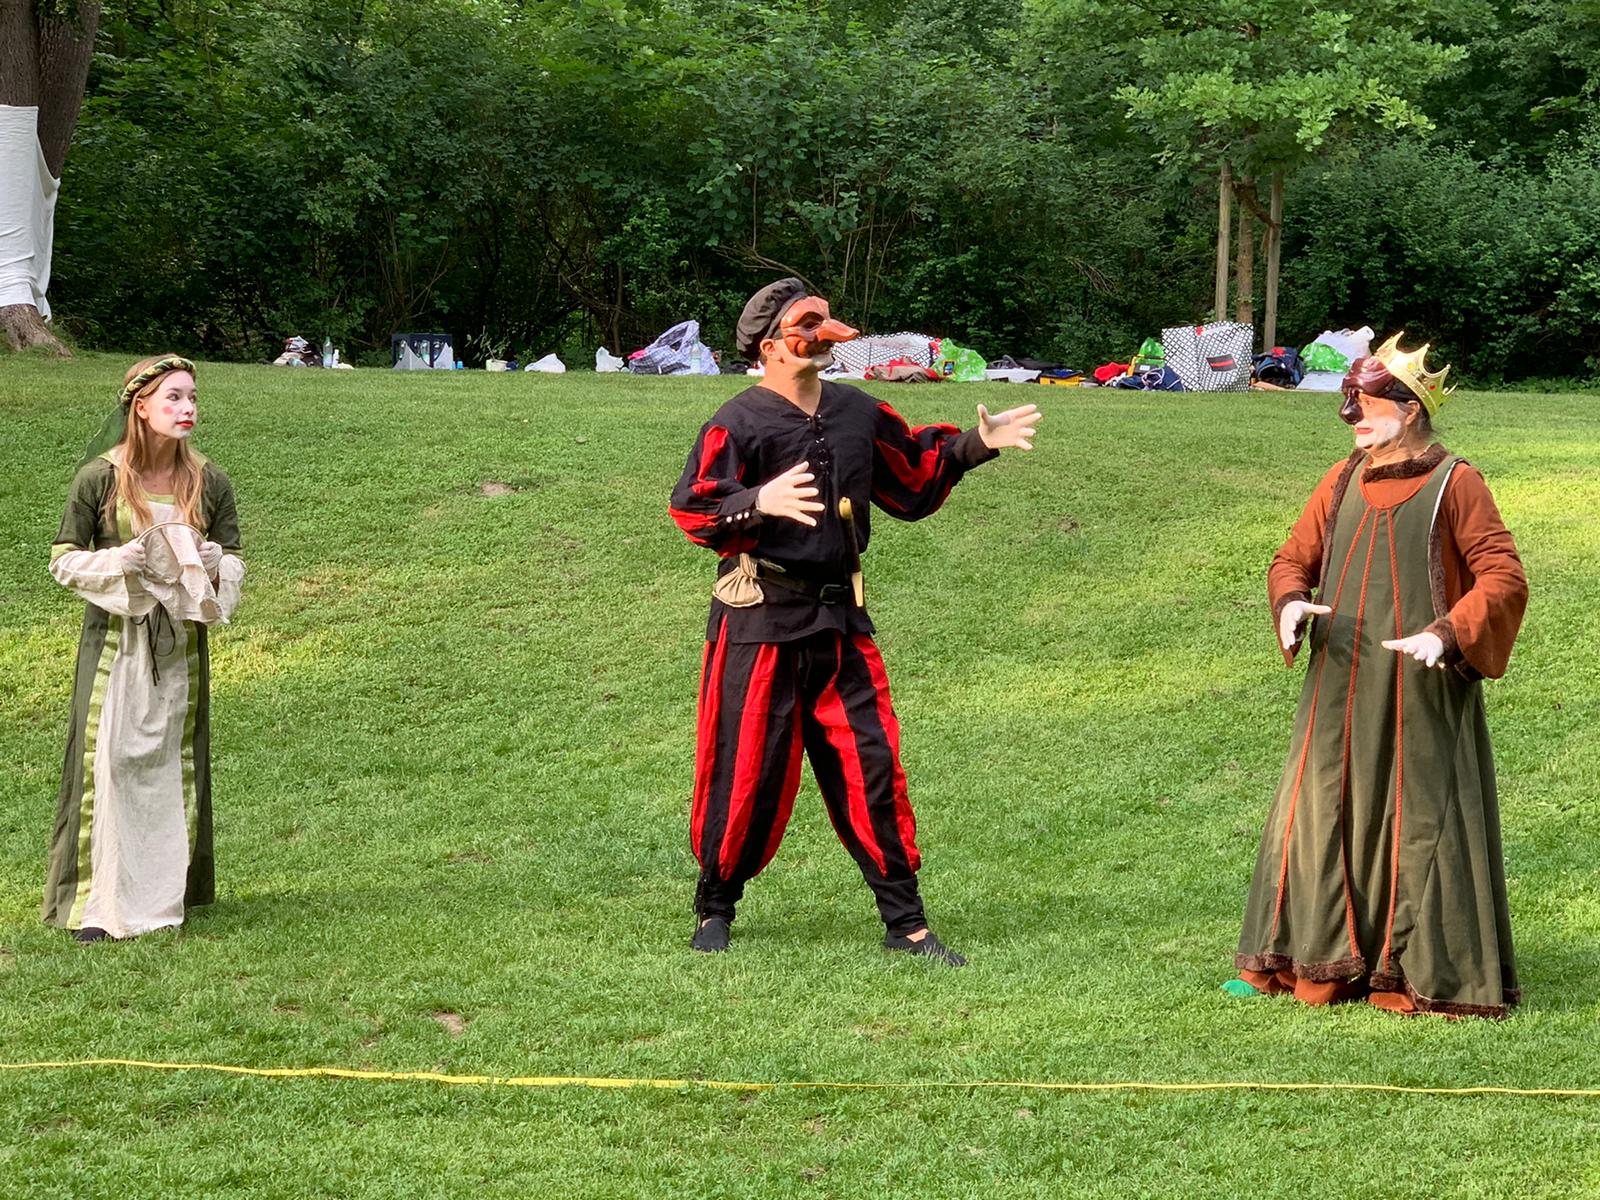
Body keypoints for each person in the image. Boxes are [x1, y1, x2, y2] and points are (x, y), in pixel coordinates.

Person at [669, 278, 1041, 964]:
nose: (825, 336)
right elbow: (693, 508)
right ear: (770, 346)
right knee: (745, 768)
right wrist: (758, 501)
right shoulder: (737, 422)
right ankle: (715, 906)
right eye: (807, 326)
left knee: (872, 766)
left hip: (841, 622)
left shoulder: (856, 412)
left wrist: (975, 445)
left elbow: (912, 481)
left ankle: (907, 924)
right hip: (758, 625)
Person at [1227, 335, 1527, 1016]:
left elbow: (1503, 576)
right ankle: (1312, 961)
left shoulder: (1457, 483)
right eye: (1349, 404)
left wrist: (1445, 632)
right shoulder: (1340, 480)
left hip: (1422, 687)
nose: (1352, 417)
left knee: (1417, 819)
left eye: (1365, 403)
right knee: (1318, 810)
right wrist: (1289, 601)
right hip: (1338, 684)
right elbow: (1291, 559)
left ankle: (1407, 971)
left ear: (1411, 408)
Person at [43, 355, 246, 943]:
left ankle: (164, 897)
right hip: (118, 643)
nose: (188, 408)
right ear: (141, 406)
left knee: (168, 764)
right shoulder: (100, 478)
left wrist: (214, 560)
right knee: (109, 762)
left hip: (180, 643)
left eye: (192, 397)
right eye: (174, 397)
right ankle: (101, 904)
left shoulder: (209, 481)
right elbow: (63, 559)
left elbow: (233, 560)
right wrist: (119, 560)